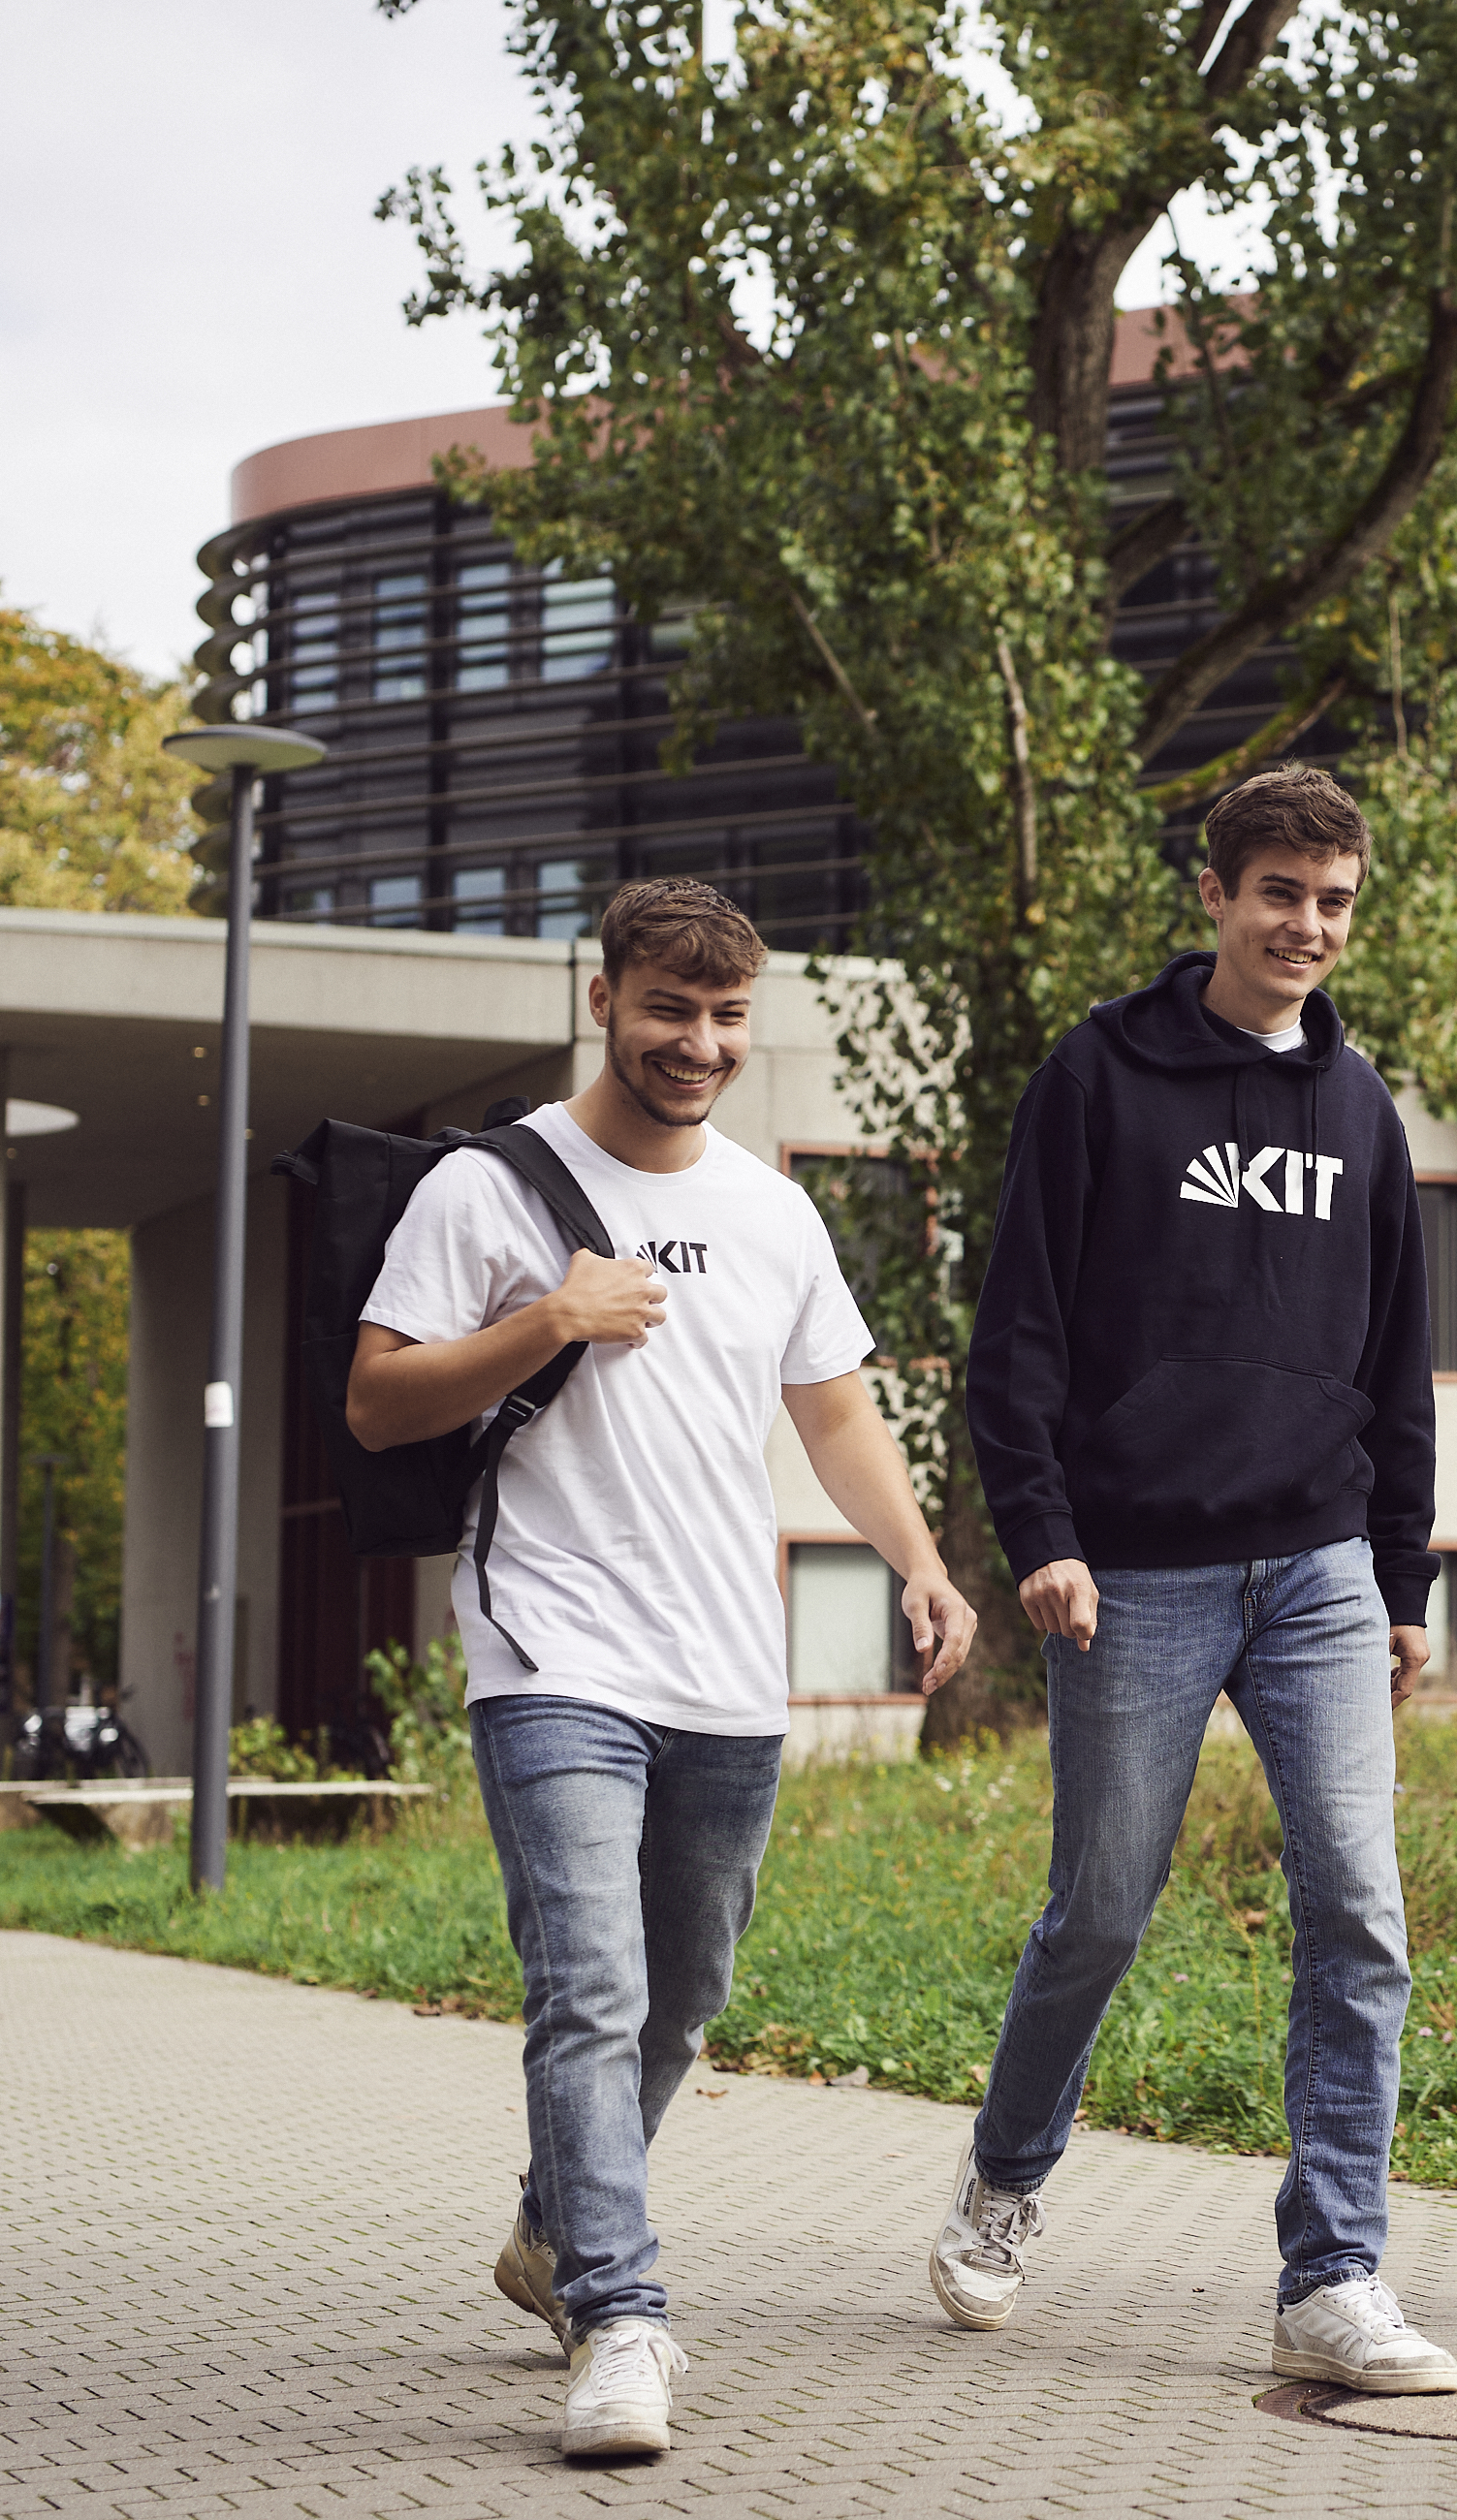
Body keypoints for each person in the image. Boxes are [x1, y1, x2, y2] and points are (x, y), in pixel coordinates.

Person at [347, 877, 978, 2458]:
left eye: (724, 1016)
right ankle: (620, 2320)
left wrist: (917, 1559)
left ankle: (554, 2223)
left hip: (724, 1671)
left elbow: (834, 1415)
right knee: (591, 1988)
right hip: (550, 1650)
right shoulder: (490, 1191)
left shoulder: (774, 1212)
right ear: (602, 1000)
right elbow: (377, 1404)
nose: (697, 1043)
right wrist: (546, 1321)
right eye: (668, 1010)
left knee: (683, 1995)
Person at [937, 763, 1457, 2394]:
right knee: (1099, 1911)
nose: (1308, 926)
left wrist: (1406, 1583)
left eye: (1336, 902)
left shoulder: (1362, 1111)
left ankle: (1334, 2277)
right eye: (1281, 894)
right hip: (1136, 1572)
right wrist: (1045, 1535)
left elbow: (1400, 1372)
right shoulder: (1099, 1078)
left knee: (1359, 1914)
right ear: (1219, 895)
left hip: (1315, 1571)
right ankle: (1008, 2177)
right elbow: (1016, 1334)